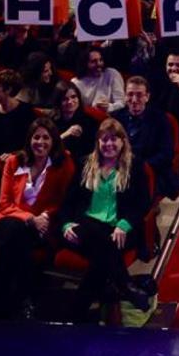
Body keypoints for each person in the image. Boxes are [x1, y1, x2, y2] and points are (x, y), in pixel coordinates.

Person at [60, 119, 153, 321]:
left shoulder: (135, 166)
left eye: (114, 139)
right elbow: (69, 201)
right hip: (85, 227)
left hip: (119, 230)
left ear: (122, 142)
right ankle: (125, 285)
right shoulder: (85, 164)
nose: (108, 144)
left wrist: (124, 224)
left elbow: (143, 202)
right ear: (98, 142)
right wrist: (66, 223)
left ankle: (75, 314)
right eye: (104, 140)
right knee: (96, 235)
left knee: (101, 260)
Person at [0, 117, 72, 319]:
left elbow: (65, 200)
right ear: (29, 140)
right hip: (8, 218)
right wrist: (29, 218)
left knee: (17, 239)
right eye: (36, 137)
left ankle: (1, 299)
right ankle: (25, 298)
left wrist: (44, 215)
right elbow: (4, 203)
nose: (40, 142)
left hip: (42, 223)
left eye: (46, 138)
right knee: (17, 231)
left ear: (53, 141)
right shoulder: (13, 162)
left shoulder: (63, 163)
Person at [110, 76, 179, 198]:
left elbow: (166, 154)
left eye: (139, 95)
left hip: (148, 171)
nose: (134, 99)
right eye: (130, 94)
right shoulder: (116, 118)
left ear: (147, 97)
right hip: (119, 169)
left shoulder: (160, 119)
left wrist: (139, 167)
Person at [0, 69, 37, 157]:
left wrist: (15, 155)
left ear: (8, 90)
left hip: (18, 160)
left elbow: (31, 143)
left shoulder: (26, 112)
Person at [52, 80, 101, 161]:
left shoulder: (90, 121)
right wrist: (65, 134)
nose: (70, 102)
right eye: (65, 99)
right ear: (58, 101)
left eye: (73, 97)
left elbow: (93, 150)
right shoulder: (52, 122)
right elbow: (48, 146)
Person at [73, 47, 126, 113]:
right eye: (93, 61)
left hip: (111, 116)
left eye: (100, 60)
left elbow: (122, 103)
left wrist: (109, 107)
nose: (99, 64)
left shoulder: (112, 74)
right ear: (84, 64)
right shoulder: (76, 83)